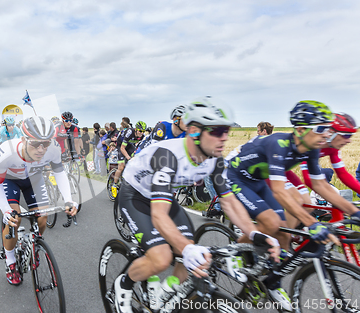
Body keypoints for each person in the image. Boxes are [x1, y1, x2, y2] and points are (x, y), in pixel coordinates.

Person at [114, 97, 279, 313]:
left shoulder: (215, 158)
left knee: (189, 251)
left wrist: (255, 233)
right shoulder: (168, 157)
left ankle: (167, 292)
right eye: (217, 132)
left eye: (226, 132)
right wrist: (187, 249)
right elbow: (159, 215)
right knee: (162, 257)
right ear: (194, 131)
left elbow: (228, 201)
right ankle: (123, 285)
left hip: (162, 195)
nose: (224, 138)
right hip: (136, 194)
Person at [225, 100, 360, 309]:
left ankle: (272, 281)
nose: (327, 134)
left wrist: (354, 211)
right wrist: (311, 223)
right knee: (270, 223)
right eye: (322, 128)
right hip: (236, 177)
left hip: (258, 181)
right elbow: (279, 190)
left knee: (284, 233)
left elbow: (319, 185)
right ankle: (234, 252)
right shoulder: (277, 145)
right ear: (300, 129)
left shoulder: (312, 149)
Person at [0, 116, 78, 285]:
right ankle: (10, 263)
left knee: (43, 217)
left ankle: (33, 246)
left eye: (45, 143)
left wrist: (68, 199)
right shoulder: (6, 152)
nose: (41, 149)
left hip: (34, 179)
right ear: (23, 139)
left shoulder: (53, 148)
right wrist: (6, 211)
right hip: (10, 180)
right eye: (36, 143)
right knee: (14, 220)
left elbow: (59, 173)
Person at [112, 120, 146, 185]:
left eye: (143, 131)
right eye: (140, 131)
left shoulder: (142, 136)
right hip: (120, 145)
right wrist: (128, 157)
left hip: (129, 145)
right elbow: (122, 148)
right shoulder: (130, 132)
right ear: (136, 129)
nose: (141, 133)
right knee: (121, 166)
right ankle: (114, 184)